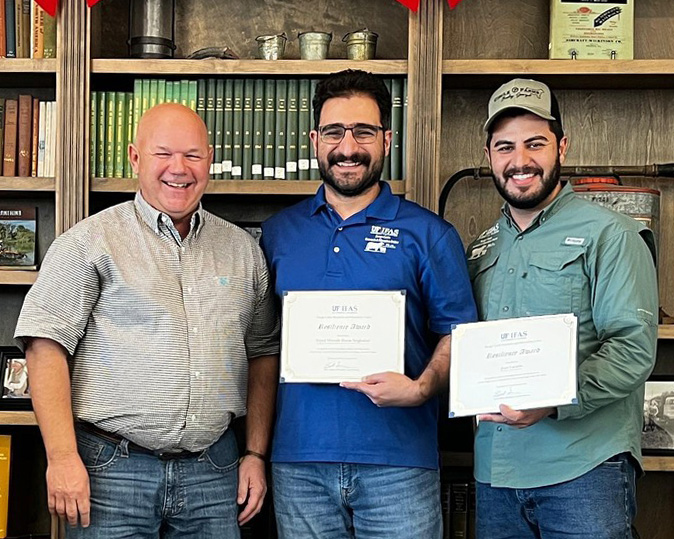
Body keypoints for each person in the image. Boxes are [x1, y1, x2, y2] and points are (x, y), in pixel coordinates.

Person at [14, 103, 279, 538]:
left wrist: (254, 452)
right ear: (135, 158)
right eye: (164, 154)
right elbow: (45, 347)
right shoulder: (88, 242)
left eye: (193, 155)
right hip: (111, 472)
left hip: (214, 472)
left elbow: (263, 353)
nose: (179, 169)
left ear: (209, 159)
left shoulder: (243, 250)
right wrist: (62, 457)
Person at [260, 69, 477, 538]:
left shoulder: (429, 234)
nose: (348, 147)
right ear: (316, 139)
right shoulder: (278, 234)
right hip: (299, 463)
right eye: (335, 131)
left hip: (400, 463)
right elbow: (260, 345)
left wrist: (421, 388)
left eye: (364, 131)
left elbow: (458, 333)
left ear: (386, 138)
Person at [467, 78, 658, 539]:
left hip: (585, 470)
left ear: (562, 146)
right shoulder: (479, 249)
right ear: (490, 155)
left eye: (536, 143)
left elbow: (633, 348)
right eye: (505, 146)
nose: (520, 161)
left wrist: (555, 401)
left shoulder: (611, 234)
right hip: (495, 474)